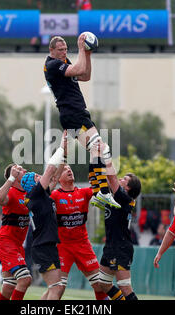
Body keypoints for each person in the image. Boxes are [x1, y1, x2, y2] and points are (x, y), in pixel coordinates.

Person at [44, 34, 120, 210]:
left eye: (65, 49)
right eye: (60, 50)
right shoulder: (53, 65)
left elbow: (85, 75)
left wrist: (88, 54)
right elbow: (77, 70)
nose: (64, 52)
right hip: (72, 113)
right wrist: (80, 49)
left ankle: (101, 193)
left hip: (78, 113)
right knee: (98, 147)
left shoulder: (63, 62)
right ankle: (100, 192)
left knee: (101, 148)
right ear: (51, 50)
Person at [20, 131, 68, 300]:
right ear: (33, 184)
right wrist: (61, 144)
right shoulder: (34, 194)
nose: (41, 177)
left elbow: (55, 174)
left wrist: (65, 152)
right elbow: (50, 170)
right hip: (42, 247)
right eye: (37, 177)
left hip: (48, 245)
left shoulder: (41, 195)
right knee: (56, 288)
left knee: (58, 288)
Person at [50, 165, 107, 300]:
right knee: (58, 288)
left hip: (83, 245)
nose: (69, 170)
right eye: (64, 170)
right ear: (58, 178)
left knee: (100, 284)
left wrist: (97, 162)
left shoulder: (84, 192)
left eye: (70, 168)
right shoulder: (54, 195)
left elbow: (102, 188)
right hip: (62, 247)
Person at [92, 149, 141, 300]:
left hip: (121, 248)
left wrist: (105, 155)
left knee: (125, 287)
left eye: (124, 179)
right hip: (111, 246)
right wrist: (95, 156)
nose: (120, 179)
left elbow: (111, 178)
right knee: (103, 284)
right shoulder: (114, 197)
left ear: (128, 188)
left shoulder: (124, 198)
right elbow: (102, 179)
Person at [0, 163, 31, 300]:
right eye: (20, 170)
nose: (25, 170)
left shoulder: (28, 193)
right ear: (14, 176)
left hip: (17, 246)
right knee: (25, 279)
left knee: (9, 287)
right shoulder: (10, 192)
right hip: (6, 244)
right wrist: (10, 179)